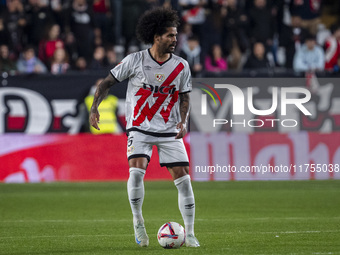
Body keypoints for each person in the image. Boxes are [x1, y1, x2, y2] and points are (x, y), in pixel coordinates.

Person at [89, 7, 199, 248]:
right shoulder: (135, 60)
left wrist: (183, 120)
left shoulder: (181, 66)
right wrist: (95, 107)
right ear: (156, 36)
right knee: (137, 172)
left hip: (170, 130)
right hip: (139, 128)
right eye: (170, 35)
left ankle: (190, 233)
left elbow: (185, 98)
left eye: (175, 35)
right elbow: (106, 83)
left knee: (184, 179)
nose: (174, 39)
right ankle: (138, 221)